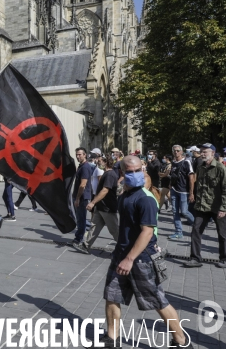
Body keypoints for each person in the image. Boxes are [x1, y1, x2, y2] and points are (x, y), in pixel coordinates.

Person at [102, 156, 188, 348]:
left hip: (141, 259)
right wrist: (122, 256)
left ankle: (181, 341)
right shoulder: (125, 195)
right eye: (129, 172)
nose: (134, 175)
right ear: (123, 173)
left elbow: (147, 232)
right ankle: (112, 338)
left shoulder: (146, 199)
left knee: (157, 301)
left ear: (143, 170)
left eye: (137, 170)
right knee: (112, 295)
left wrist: (130, 258)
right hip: (121, 255)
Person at [184, 143, 226, 268]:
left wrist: (224, 208)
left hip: (217, 207)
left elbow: (225, 189)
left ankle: (224, 258)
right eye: (201, 151)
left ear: (213, 153)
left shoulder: (220, 168)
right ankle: (195, 258)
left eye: (205, 152)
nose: (202, 154)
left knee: (222, 234)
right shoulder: (200, 167)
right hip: (202, 207)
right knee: (196, 231)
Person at [74, 155, 119, 254]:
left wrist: (93, 202)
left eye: (100, 161)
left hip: (108, 208)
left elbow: (105, 190)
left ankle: (125, 247)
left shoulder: (110, 174)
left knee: (114, 230)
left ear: (105, 162)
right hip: (100, 207)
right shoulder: (106, 173)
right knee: (94, 227)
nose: (98, 163)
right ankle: (86, 246)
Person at [168, 145, 195, 240]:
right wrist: (171, 184)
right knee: (175, 211)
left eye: (178, 150)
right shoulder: (173, 162)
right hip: (174, 190)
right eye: (174, 150)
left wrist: (191, 193)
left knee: (184, 211)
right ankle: (178, 232)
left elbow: (191, 178)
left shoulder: (186, 162)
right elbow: (173, 175)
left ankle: (196, 224)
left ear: (182, 151)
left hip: (184, 191)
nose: (176, 152)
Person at [73, 147, 93, 245]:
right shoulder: (81, 166)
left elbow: (83, 184)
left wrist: (77, 198)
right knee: (80, 218)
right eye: (77, 154)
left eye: (80, 154)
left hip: (82, 197)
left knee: (81, 218)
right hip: (79, 196)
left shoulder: (85, 167)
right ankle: (79, 236)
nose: (78, 156)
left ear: (85, 155)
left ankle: (78, 238)